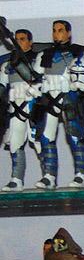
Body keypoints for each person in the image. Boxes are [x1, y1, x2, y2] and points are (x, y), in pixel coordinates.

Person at [33, 19, 84, 188]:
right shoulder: (44, 54)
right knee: (46, 137)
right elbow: (35, 76)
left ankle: (81, 175)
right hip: (49, 98)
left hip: (69, 96)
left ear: (68, 33)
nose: (57, 34)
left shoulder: (79, 52)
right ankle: (49, 176)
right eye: (54, 30)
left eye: (61, 30)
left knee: (75, 135)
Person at [2, 27, 41, 190]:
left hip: (34, 105)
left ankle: (48, 176)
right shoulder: (8, 64)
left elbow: (39, 80)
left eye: (23, 39)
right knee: (15, 143)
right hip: (16, 106)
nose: (19, 42)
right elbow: (2, 84)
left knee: (40, 142)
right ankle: (16, 179)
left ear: (30, 42)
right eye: (17, 39)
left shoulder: (39, 60)